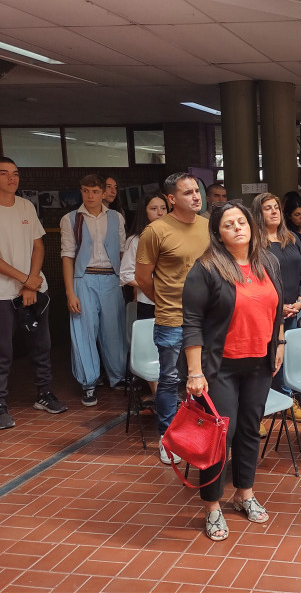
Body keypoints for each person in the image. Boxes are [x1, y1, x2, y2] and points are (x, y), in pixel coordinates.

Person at [181, 202, 284, 542]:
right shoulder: (206, 268)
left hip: (259, 363)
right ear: (218, 234)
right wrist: (195, 373)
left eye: (242, 221)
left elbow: (277, 308)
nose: (238, 228)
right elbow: (192, 323)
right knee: (222, 436)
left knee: (251, 430)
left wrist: (279, 342)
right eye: (229, 224)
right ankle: (212, 507)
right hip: (219, 367)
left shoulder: (267, 262)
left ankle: (245, 493)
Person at [136, 173, 209, 464]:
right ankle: (168, 439)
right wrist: (166, 302)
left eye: (197, 190)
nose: (196, 196)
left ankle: (203, 432)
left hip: (207, 318)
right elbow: (142, 278)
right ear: (171, 199)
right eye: (188, 192)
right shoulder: (155, 231)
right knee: (170, 380)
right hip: (172, 319)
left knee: (206, 377)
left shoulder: (208, 226)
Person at [0, 157, 64, 429]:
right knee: (3, 351)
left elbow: (38, 246)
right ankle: (0, 403)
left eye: (15, 174)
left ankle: (44, 393)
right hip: (3, 294)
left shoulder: (26, 205)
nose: (11, 178)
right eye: (4, 174)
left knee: (41, 345)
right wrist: (24, 280)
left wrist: (30, 284)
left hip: (35, 290)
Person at [60, 174, 127, 407]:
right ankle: (88, 382)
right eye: (86, 191)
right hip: (83, 278)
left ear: (103, 192)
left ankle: (117, 377)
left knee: (114, 329)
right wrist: (70, 292)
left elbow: (121, 252)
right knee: (83, 331)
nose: (90, 196)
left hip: (111, 278)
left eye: (95, 191)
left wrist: (125, 280)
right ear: (81, 191)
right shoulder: (70, 219)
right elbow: (67, 256)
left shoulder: (116, 218)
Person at [252, 193, 301, 423]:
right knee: (263, 361)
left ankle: (286, 401)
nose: (274, 211)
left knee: (285, 359)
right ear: (259, 213)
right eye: (268, 208)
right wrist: (279, 306)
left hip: (293, 311)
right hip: (265, 313)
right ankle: (256, 411)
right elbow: (255, 281)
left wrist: (300, 301)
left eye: (276, 207)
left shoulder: (293, 239)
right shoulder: (254, 244)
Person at [120, 191, 168, 321]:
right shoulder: (135, 240)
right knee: (150, 340)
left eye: (163, 208)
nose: (160, 213)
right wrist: (152, 288)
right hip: (148, 303)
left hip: (175, 302)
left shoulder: (174, 237)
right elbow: (126, 275)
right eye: (153, 208)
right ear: (144, 212)